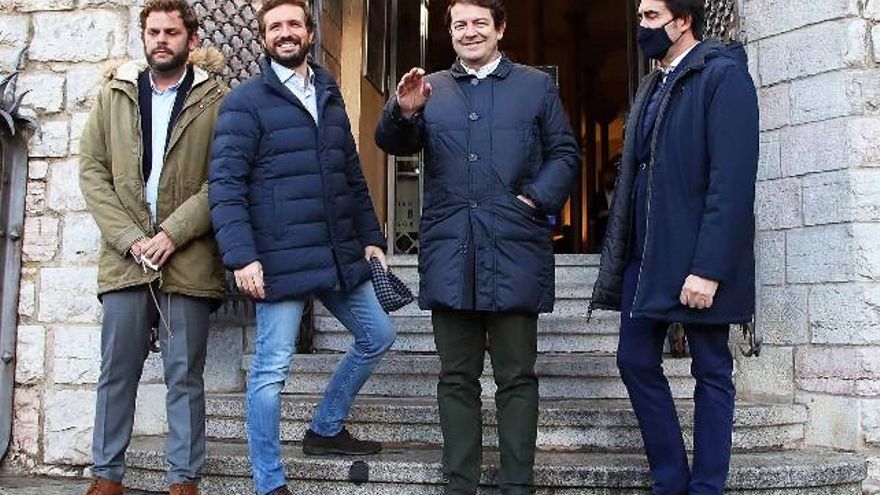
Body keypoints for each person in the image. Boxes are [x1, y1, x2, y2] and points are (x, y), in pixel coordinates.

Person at [375, 1, 580, 493]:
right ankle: (460, 484)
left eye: (479, 23)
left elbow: (564, 153)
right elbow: (392, 143)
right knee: (455, 378)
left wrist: (534, 199)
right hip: (451, 251)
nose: (469, 32)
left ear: (500, 29)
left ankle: (517, 485)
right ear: (449, 32)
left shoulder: (535, 86)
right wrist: (403, 111)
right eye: (459, 25)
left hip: (515, 249)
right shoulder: (430, 89)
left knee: (517, 377)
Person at [208, 1, 395, 494]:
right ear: (263, 38)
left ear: (309, 32)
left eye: (293, 23)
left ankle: (325, 428)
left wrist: (371, 237)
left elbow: (350, 174)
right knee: (271, 370)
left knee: (378, 334)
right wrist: (242, 256)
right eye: (275, 27)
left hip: (335, 249)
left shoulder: (329, 93)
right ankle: (269, 482)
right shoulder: (245, 102)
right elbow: (225, 186)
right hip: (279, 258)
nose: (285, 33)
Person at [590, 0, 759, 493]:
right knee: (634, 360)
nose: (641, 26)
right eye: (640, 16)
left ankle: (706, 487)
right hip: (647, 257)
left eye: (650, 17)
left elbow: (731, 182)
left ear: (682, 21)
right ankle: (670, 479)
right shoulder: (653, 84)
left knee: (711, 370)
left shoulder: (723, 77)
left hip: (698, 259)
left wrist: (708, 269)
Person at [78, 1, 228, 493]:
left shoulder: (217, 99)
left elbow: (223, 179)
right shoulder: (114, 95)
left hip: (188, 260)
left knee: (184, 377)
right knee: (116, 374)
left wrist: (172, 234)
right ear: (143, 36)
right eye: (153, 32)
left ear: (192, 38)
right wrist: (130, 239)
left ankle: (183, 480)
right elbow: (92, 173)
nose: (161, 40)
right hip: (126, 261)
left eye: (171, 32)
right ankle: (106, 478)